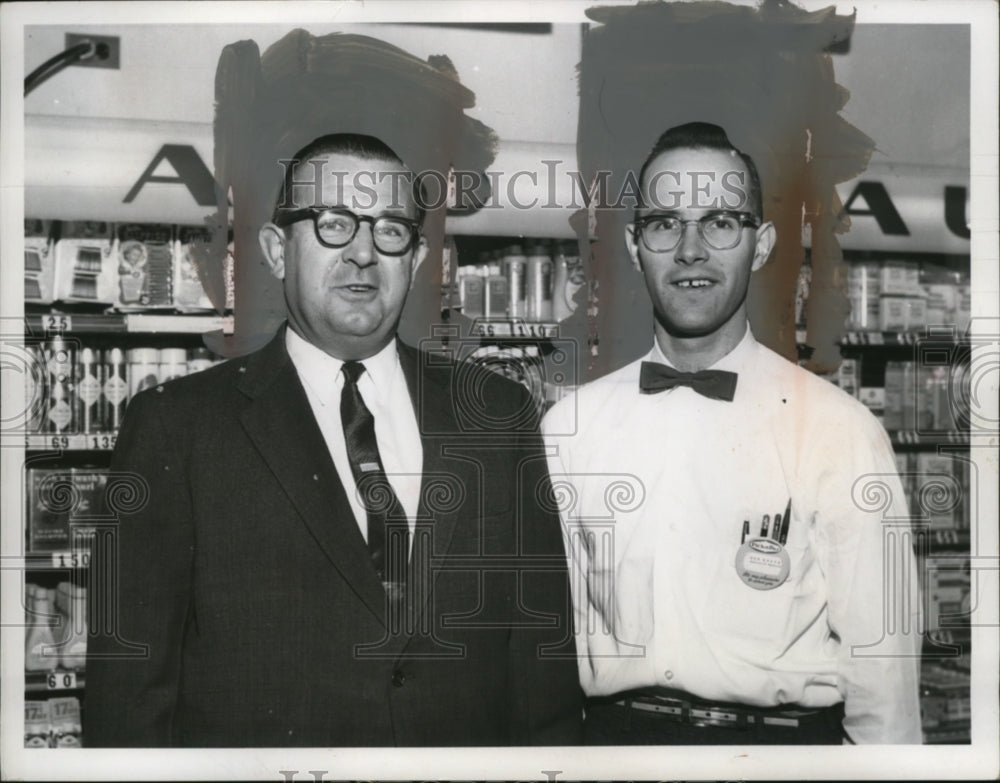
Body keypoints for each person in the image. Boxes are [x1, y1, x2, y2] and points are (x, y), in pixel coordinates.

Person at [84, 133, 582, 746]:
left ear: (418, 260)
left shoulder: (498, 414)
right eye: (333, 224)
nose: (363, 253)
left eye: (390, 229)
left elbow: (541, 666)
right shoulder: (177, 426)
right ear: (274, 250)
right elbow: (128, 689)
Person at [542, 122, 922, 745]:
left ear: (763, 243)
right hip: (617, 749)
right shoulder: (570, 428)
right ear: (636, 245)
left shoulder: (837, 428)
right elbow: (550, 640)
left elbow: (884, 670)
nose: (691, 249)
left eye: (720, 221)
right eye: (665, 223)